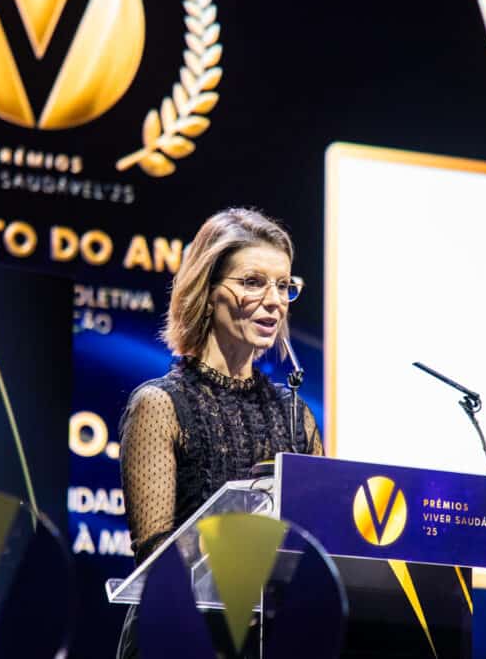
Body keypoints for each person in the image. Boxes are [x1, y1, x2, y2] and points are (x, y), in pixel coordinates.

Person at [115, 208, 322, 658]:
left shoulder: (296, 417)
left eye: (283, 285)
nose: (274, 300)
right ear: (207, 292)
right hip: (178, 640)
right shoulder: (160, 405)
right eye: (253, 282)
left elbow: (321, 546)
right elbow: (156, 558)